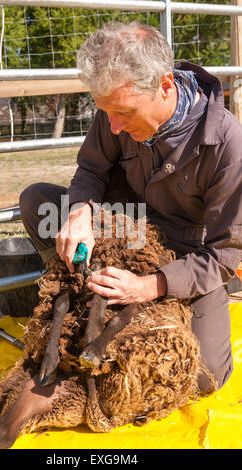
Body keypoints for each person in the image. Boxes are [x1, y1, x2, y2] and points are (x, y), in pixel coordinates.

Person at [19, 21, 242, 392]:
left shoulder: (228, 147)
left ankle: (181, 300)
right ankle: (74, 290)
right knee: (37, 202)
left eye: (124, 113)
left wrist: (150, 286)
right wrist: (80, 212)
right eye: (105, 111)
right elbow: (91, 167)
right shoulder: (116, 107)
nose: (115, 126)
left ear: (165, 87)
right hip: (129, 229)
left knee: (203, 377)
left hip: (184, 251)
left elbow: (225, 255)